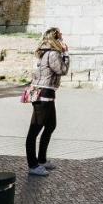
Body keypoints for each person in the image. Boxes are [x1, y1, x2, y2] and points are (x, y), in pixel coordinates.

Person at [25, 27, 70, 177]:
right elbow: (62, 70)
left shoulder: (45, 52)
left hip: (45, 92)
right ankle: (33, 165)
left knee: (51, 125)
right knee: (34, 131)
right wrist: (66, 54)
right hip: (43, 93)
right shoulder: (52, 53)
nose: (62, 40)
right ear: (55, 39)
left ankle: (42, 159)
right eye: (60, 37)